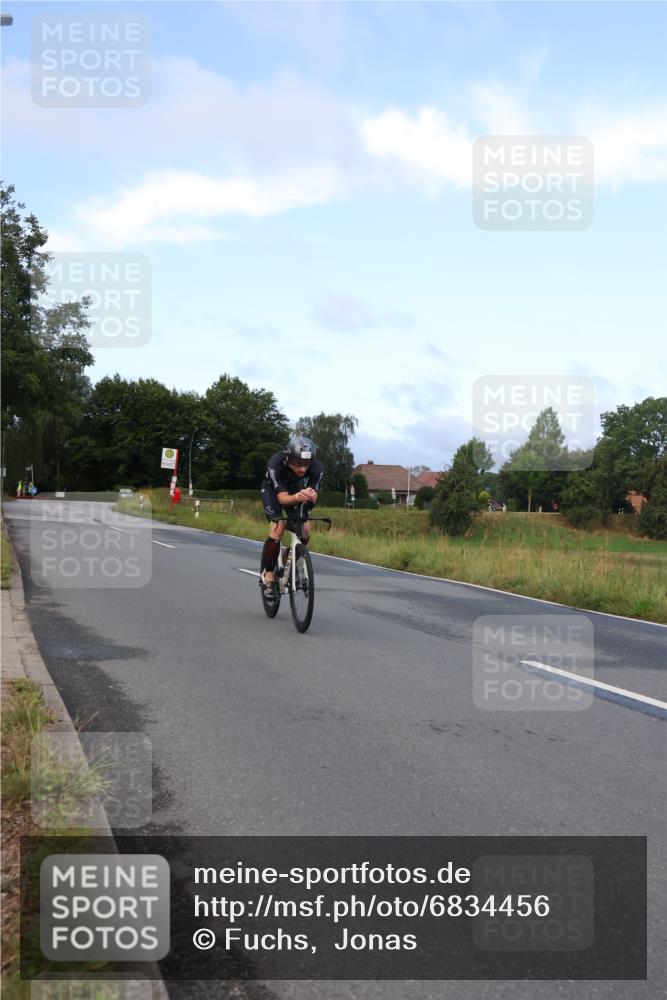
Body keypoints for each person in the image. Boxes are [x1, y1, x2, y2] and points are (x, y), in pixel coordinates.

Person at [259, 436, 324, 603]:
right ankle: (269, 575)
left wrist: (312, 497)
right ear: (288, 459)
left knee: (305, 531)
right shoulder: (276, 464)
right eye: (298, 463)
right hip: (273, 491)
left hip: (296, 488)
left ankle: (289, 557)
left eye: (306, 464)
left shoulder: (317, 468)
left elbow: (312, 496)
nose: (303, 469)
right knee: (278, 528)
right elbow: (282, 499)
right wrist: (298, 497)